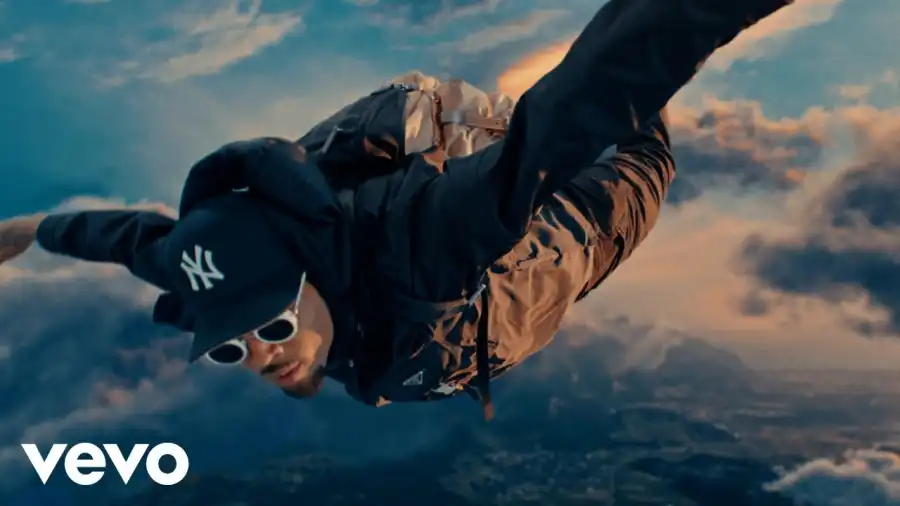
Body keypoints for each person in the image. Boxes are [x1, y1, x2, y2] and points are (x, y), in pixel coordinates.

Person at [0, 0, 795, 421]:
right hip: (461, 227)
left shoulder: (424, 244)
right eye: (232, 348)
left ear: (310, 274)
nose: (262, 357)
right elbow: (126, 238)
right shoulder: (199, 268)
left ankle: (455, 118)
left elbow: (576, 108)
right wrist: (30, 231)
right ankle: (444, 125)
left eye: (269, 326)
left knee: (577, 129)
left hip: (601, 189)